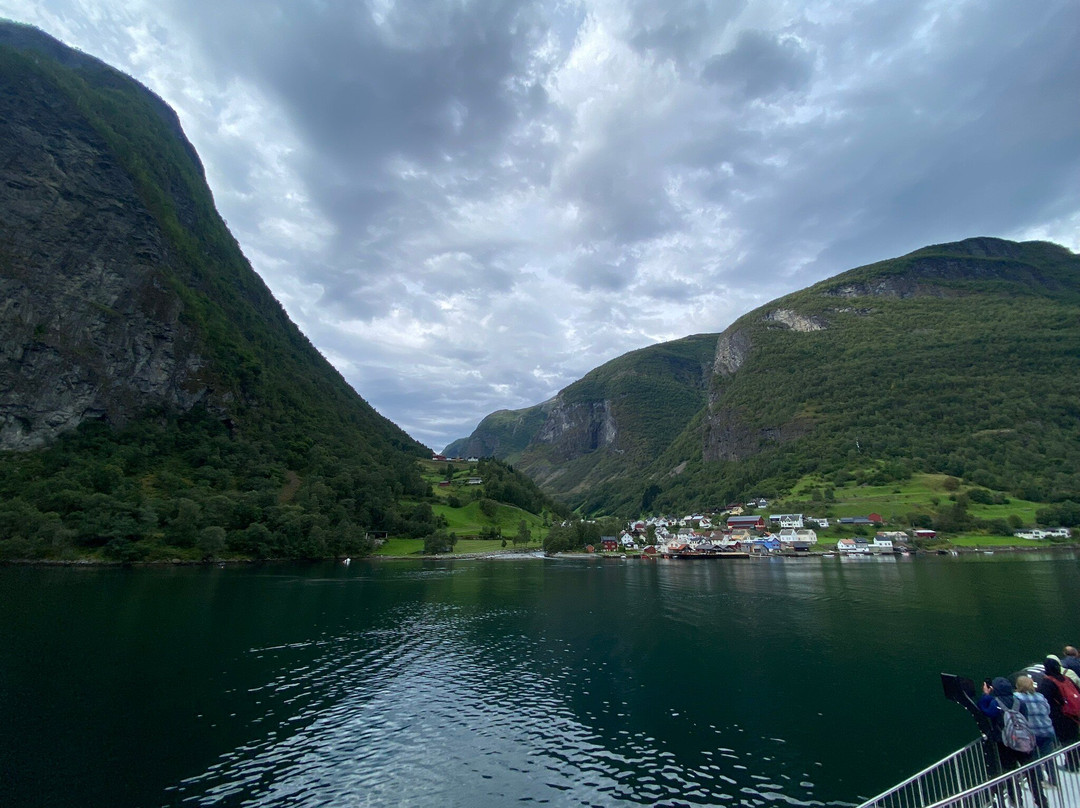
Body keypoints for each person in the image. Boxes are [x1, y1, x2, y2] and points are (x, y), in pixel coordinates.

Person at [980, 676, 1046, 808]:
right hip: (1024, 742)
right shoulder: (1019, 702)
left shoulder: (996, 703)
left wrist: (985, 694)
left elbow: (984, 710)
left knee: (1010, 773)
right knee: (1031, 772)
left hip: (1005, 744)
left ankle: (1016, 801)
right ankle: (1041, 800)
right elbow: (1025, 718)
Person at [1038, 657, 1080, 771]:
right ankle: (1076, 762)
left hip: (1059, 716)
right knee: (1075, 739)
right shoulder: (1066, 679)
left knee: (1066, 742)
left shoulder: (1047, 682)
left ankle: (1072, 764)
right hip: (1073, 714)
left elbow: (1043, 699)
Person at [1015, 675, 1058, 786]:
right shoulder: (1040, 696)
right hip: (1046, 730)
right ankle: (1053, 780)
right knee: (1048, 757)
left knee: (1035, 760)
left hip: (1031, 733)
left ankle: (1040, 780)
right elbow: (1047, 710)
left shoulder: (1017, 697)